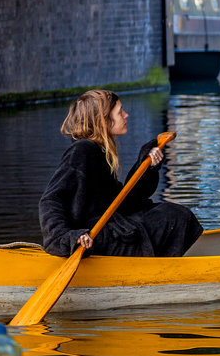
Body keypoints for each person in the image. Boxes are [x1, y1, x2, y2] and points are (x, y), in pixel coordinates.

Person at [39, 89, 202, 258]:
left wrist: (146, 167)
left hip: (108, 229)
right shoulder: (82, 151)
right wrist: (66, 238)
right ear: (103, 120)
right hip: (92, 238)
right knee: (173, 218)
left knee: (172, 215)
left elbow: (127, 203)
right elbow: (51, 199)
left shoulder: (99, 151)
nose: (126, 115)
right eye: (120, 112)